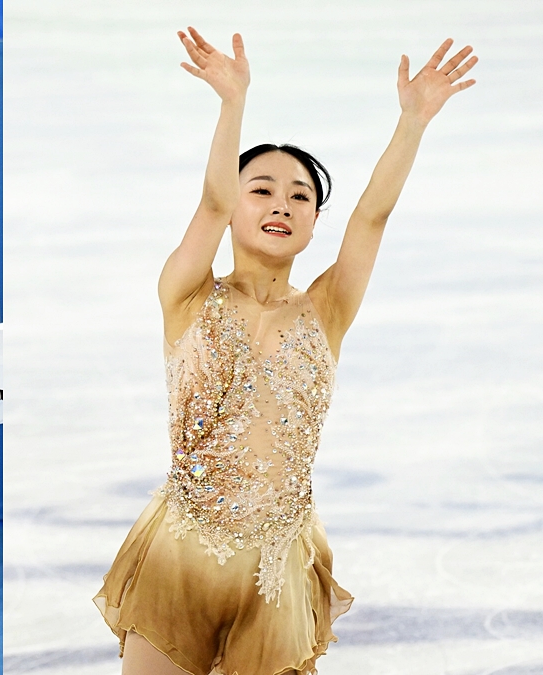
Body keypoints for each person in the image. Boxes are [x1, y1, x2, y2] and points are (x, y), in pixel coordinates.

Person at [93, 28, 477, 675]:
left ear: (314, 219)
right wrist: (232, 102)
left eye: (300, 194)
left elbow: (371, 219)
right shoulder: (187, 292)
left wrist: (411, 122)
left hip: (277, 569)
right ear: (237, 208)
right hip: (179, 554)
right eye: (263, 188)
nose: (282, 203)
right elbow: (211, 199)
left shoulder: (326, 310)